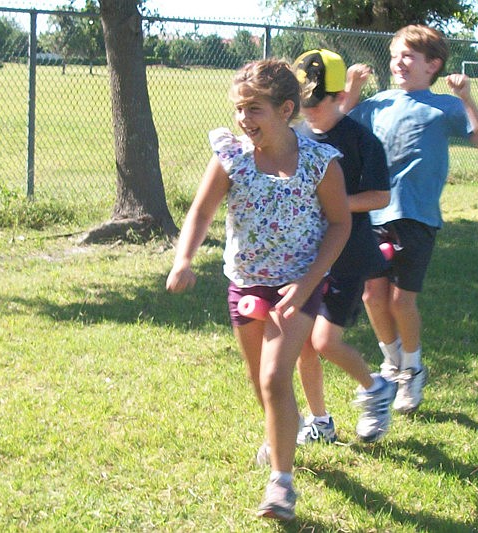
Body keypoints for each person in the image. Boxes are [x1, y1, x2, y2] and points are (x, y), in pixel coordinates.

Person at [166, 59, 351, 522]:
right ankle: (279, 435)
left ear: (286, 108)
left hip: (297, 286)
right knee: (261, 383)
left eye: (255, 110)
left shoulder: (318, 162)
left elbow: (340, 223)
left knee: (274, 378)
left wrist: (308, 283)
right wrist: (183, 259)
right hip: (245, 284)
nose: (244, 120)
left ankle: (281, 486)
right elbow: (202, 213)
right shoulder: (232, 157)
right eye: (239, 110)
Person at [343, 25, 478, 414]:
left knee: (400, 299)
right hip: (372, 212)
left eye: (409, 56)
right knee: (372, 296)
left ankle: (412, 369)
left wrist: (466, 96)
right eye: (396, 55)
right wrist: (353, 89)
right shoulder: (377, 103)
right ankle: (392, 363)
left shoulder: (443, 106)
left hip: (416, 216)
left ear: (433, 65)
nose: (399, 62)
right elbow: (338, 127)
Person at [292, 49, 396, 445]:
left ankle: (376, 388)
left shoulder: (361, 140)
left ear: (337, 97)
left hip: (348, 256)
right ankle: (320, 422)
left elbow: (380, 197)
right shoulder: (297, 136)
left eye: (316, 103)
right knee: (303, 343)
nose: (309, 111)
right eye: (302, 103)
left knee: (324, 341)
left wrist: (336, 202)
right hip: (305, 255)